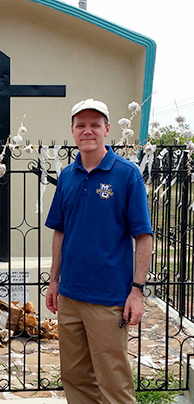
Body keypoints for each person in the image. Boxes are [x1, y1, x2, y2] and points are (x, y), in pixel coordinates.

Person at [45, 99, 153, 404]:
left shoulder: (126, 174)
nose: (88, 130)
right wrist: (54, 281)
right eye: (81, 125)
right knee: (76, 380)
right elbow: (60, 231)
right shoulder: (67, 175)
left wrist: (137, 291)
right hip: (70, 297)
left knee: (114, 385)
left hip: (108, 300)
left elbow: (143, 237)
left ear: (107, 129)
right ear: (73, 131)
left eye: (95, 124)